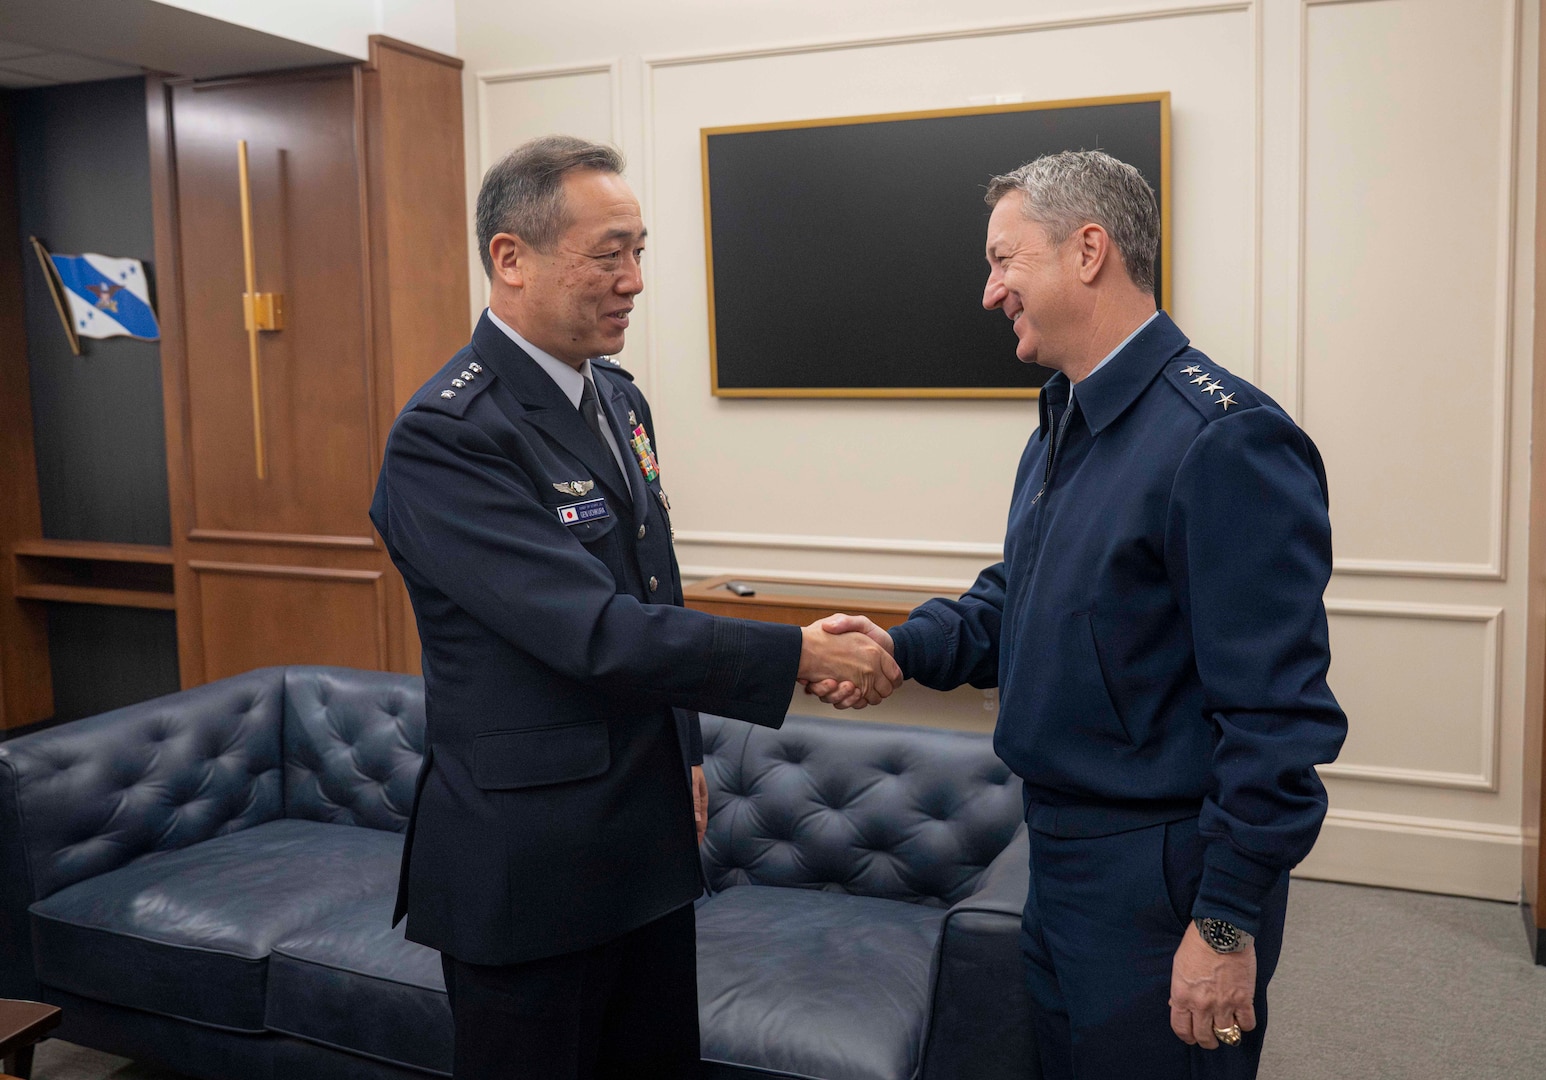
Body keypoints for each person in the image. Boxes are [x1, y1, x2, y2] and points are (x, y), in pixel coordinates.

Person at [369, 135, 899, 1080]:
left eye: (639, 251)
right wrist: (799, 656)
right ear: (509, 257)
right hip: (529, 868)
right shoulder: (447, 437)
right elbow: (593, 631)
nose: (634, 281)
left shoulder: (617, 400)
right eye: (607, 254)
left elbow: (649, 586)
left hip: (643, 840)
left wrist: (684, 752)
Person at [813, 150, 1347, 1079]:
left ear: (1088, 249)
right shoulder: (1066, 414)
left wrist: (1223, 923)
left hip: (1163, 874)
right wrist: (900, 647)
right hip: (1057, 850)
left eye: (1003, 260)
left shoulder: (1221, 439)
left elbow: (1276, 720)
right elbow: (1021, 598)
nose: (990, 291)